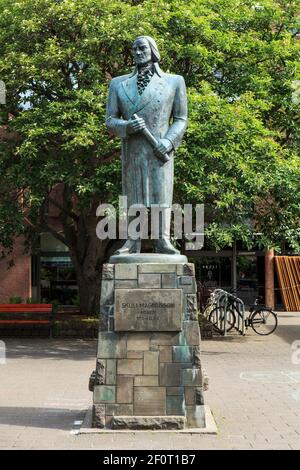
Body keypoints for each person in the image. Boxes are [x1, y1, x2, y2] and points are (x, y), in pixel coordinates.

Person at [106, 36, 187, 254]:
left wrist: (168, 141)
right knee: (134, 196)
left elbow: (180, 119)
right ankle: (133, 242)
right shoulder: (118, 84)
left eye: (142, 48)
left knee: (161, 195)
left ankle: (162, 240)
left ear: (153, 50)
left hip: (159, 150)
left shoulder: (174, 81)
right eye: (134, 49)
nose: (137, 52)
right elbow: (110, 121)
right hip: (133, 151)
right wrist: (127, 127)